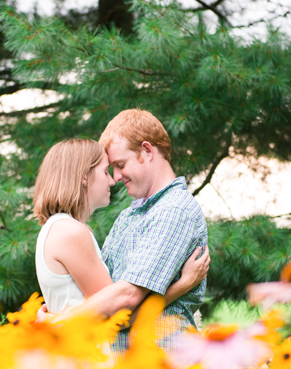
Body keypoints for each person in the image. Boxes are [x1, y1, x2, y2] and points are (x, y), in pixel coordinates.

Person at [57, 109, 209, 354]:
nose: (116, 177)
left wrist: (59, 324)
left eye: (120, 164)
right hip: (129, 367)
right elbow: (102, 293)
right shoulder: (130, 215)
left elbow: (126, 298)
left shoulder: (174, 211)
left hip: (163, 362)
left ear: (147, 151)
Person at [32, 138, 209, 317]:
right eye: (105, 171)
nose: (112, 180)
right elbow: (118, 314)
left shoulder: (59, 228)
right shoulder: (71, 232)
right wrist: (183, 285)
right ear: (84, 177)